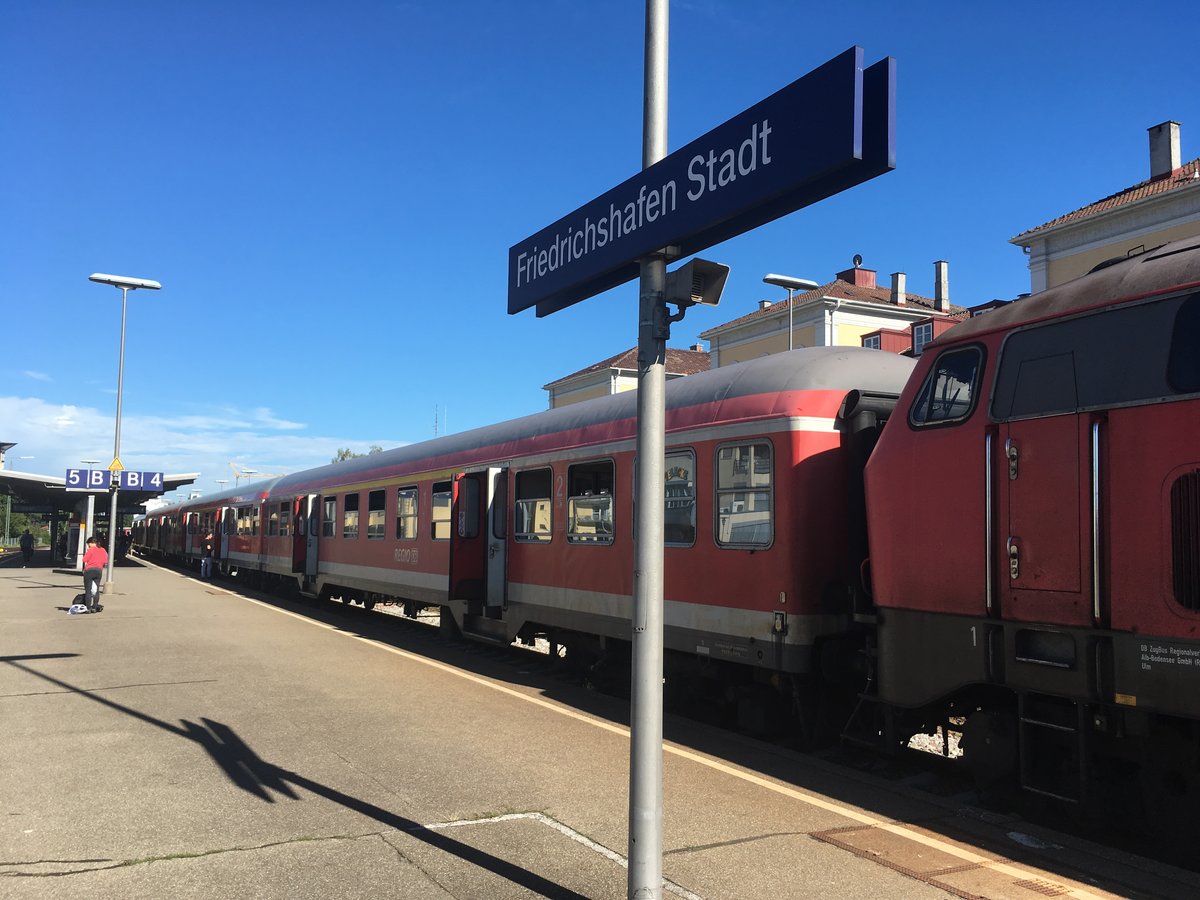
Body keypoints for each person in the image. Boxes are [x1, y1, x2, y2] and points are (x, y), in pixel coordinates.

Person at [82, 537, 108, 613]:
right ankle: (94, 607)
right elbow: (105, 561)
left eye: (88, 544)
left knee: (88, 590)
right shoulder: (103, 550)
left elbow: (84, 560)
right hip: (98, 571)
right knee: (96, 590)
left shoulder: (91, 550)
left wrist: (88, 552)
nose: (88, 546)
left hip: (89, 571)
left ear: (92, 543)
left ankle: (88, 608)